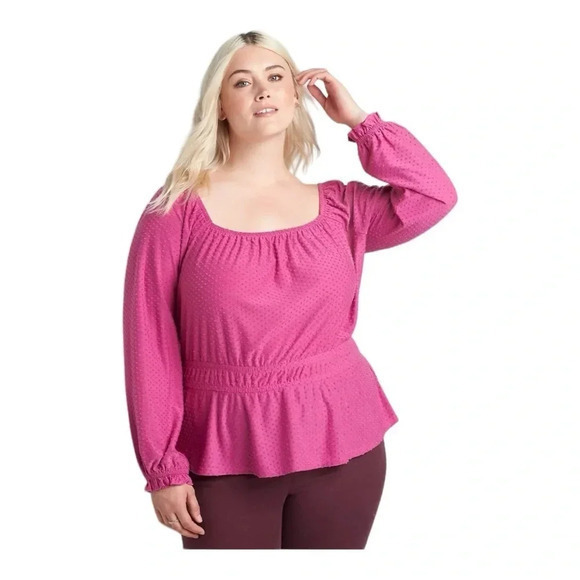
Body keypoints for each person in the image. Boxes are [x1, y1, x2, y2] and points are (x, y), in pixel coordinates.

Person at [122, 30, 458, 550]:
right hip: (222, 451)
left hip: (345, 442)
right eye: (242, 81)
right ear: (220, 105)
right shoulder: (174, 211)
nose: (263, 90)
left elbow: (434, 195)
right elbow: (149, 342)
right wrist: (162, 465)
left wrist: (361, 123)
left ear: (295, 95)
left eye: (276, 76)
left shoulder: (342, 209)